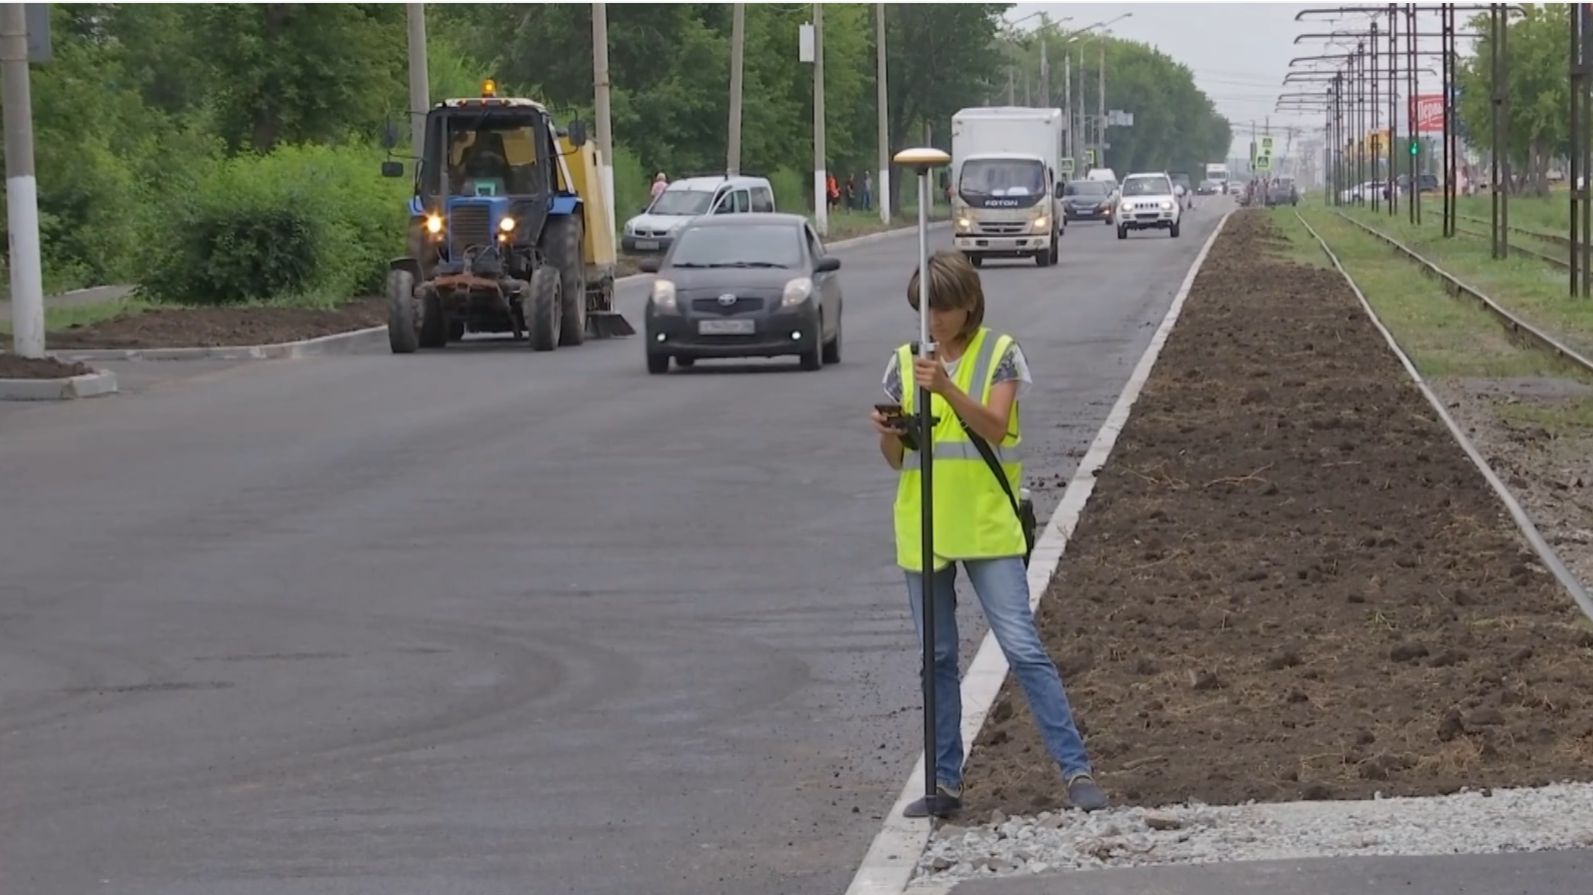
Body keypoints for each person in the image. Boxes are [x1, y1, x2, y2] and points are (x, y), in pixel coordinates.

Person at [870, 250, 1107, 819]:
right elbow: (896, 459)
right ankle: (944, 783)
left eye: (944, 308)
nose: (934, 321)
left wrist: (947, 389)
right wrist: (890, 430)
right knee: (938, 659)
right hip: (924, 527)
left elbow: (996, 427)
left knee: (1023, 648)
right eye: (925, 309)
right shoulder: (904, 363)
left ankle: (1076, 772)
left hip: (986, 525)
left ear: (969, 303)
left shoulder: (1000, 354)